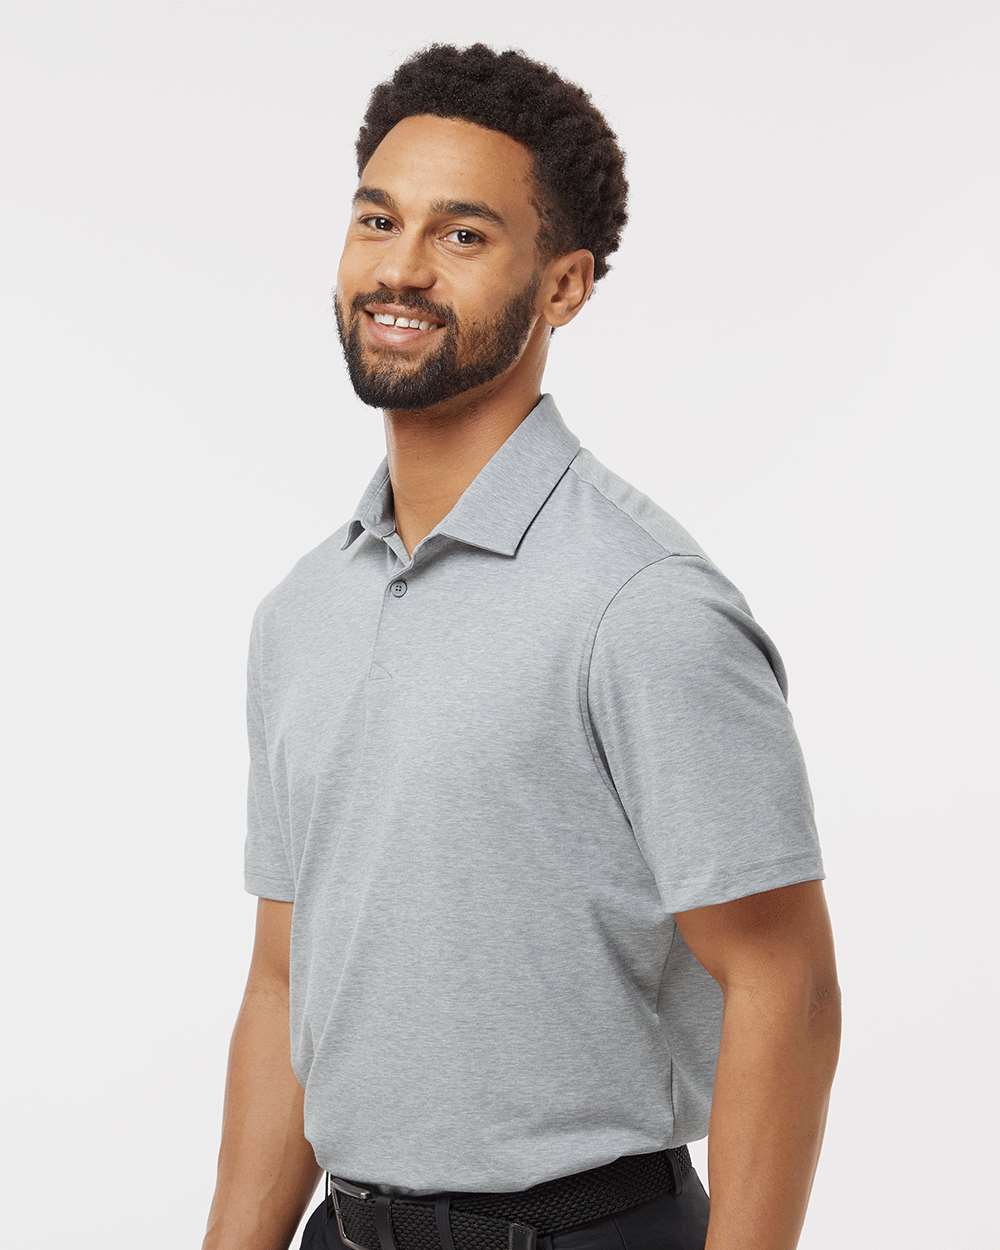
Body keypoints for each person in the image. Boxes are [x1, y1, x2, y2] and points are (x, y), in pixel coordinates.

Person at [202, 41, 841, 1250]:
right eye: (378, 219)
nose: (400, 266)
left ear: (564, 286)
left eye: (462, 233)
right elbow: (285, 979)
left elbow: (784, 983)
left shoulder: (641, 601)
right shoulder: (301, 611)